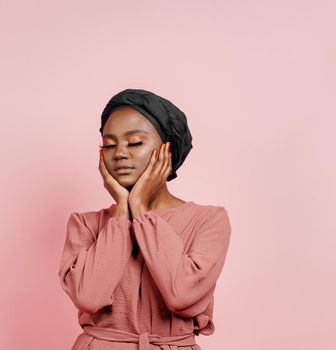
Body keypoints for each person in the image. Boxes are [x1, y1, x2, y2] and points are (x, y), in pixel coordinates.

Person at [58, 88, 232, 350]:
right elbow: (89, 296)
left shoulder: (208, 220)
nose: (119, 154)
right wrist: (121, 212)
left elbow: (181, 294)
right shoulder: (85, 224)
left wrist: (139, 207)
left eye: (135, 142)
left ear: (167, 151)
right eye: (109, 144)